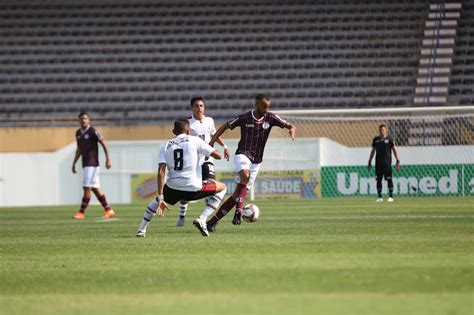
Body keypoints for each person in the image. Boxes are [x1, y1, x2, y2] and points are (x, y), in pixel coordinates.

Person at [205, 94, 297, 232]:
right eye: (264, 106)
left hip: (256, 161)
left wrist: (291, 130)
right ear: (256, 105)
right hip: (242, 154)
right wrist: (212, 142)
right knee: (245, 175)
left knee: (237, 195)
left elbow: (291, 125)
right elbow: (225, 126)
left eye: (268, 107)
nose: (266, 109)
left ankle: (211, 222)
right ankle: (238, 213)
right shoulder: (245, 117)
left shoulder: (271, 117)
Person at [136, 119, 227, 237]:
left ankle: (141, 230)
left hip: (173, 187)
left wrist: (161, 197)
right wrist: (204, 153)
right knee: (223, 187)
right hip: (193, 188)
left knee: (155, 202)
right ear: (188, 130)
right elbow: (218, 156)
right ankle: (202, 218)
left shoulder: (165, 145)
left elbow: (160, 172)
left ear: (174, 131)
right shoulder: (195, 140)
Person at [175, 97, 230, 227]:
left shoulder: (209, 121)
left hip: (207, 159)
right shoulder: (188, 122)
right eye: (196, 106)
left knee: (213, 186)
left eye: (201, 105)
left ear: (204, 107)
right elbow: (180, 139)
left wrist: (225, 146)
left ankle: (204, 218)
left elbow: (214, 135)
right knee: (185, 194)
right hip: (192, 161)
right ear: (192, 108)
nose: (199, 108)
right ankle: (182, 216)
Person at [72, 112, 116, 219]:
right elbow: (79, 149)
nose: (83, 120)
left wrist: (108, 159)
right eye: (81, 118)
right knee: (95, 188)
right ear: (79, 120)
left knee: (86, 187)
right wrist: (74, 163)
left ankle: (81, 212)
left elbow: (104, 143)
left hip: (92, 164)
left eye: (85, 118)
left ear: (89, 120)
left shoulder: (93, 131)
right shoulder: (78, 133)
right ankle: (108, 210)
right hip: (85, 164)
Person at [368, 124, 401, 202]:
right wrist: (370, 160)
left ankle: (391, 196)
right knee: (378, 180)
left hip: (387, 163)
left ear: (386, 130)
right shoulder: (376, 140)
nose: (381, 131)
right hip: (378, 163)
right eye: (380, 130)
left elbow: (394, 150)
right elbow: (373, 150)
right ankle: (379, 197)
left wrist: (398, 160)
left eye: (383, 129)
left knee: (389, 179)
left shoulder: (390, 139)